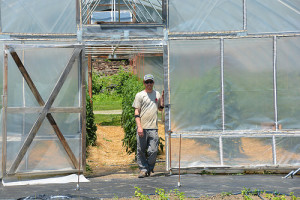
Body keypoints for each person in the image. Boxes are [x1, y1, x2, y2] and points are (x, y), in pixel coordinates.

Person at [132, 74, 164, 178]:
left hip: (153, 127)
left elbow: (160, 108)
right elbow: (137, 111)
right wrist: (139, 127)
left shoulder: (157, 94)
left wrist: (162, 98)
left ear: (153, 83)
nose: (149, 84)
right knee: (141, 149)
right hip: (143, 127)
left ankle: (149, 168)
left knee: (153, 150)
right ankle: (143, 169)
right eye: (147, 82)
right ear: (144, 83)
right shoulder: (140, 95)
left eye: (151, 82)